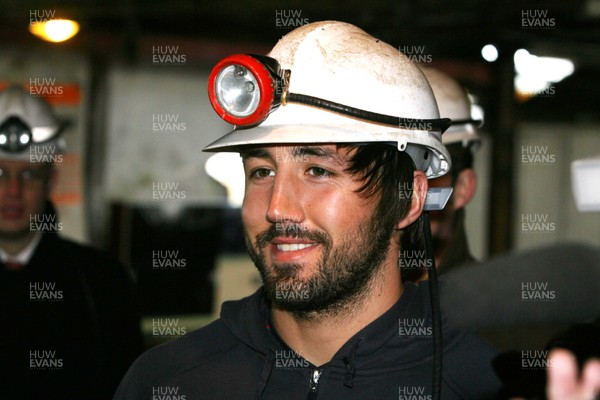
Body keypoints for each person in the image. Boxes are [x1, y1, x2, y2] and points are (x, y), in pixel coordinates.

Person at [115, 21, 502, 399]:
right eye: (262, 171)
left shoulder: (486, 380)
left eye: (318, 171)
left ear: (410, 198)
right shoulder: (168, 381)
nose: (277, 207)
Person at [0, 86, 142, 399]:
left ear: (50, 180)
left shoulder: (102, 284)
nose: (12, 191)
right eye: (0, 173)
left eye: (28, 175)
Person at [401, 66, 482, 283]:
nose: (410, 193)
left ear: (463, 188)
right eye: (397, 174)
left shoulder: (488, 306)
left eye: (430, 171)